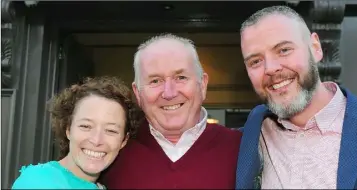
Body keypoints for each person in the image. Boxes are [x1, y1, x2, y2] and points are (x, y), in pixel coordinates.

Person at [235, 5, 357, 189]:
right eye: (255, 61)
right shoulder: (250, 135)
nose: (270, 68)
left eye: (283, 50)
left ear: (315, 48)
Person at [100, 34, 243, 189]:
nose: (169, 93)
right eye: (155, 81)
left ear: (202, 85)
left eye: (181, 77)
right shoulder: (112, 150)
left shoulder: (244, 149)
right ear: (137, 92)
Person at [12, 76, 142, 189]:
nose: (96, 140)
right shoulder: (38, 183)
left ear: (124, 140)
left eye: (111, 130)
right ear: (68, 129)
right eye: (86, 126)